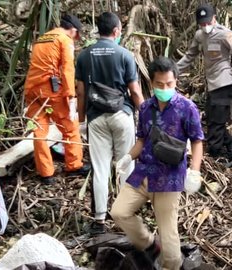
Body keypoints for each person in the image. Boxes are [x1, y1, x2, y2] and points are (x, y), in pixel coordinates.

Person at [110, 57, 204, 269]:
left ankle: (171, 264)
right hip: (143, 173)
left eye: (169, 84)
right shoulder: (145, 108)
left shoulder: (187, 108)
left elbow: (197, 141)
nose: (165, 88)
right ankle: (150, 245)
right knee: (119, 211)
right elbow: (142, 139)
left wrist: (195, 171)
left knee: (169, 235)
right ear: (152, 83)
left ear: (176, 81)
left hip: (169, 178)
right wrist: (127, 158)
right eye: (160, 84)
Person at [75, 12, 144, 235]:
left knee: (100, 169)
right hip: (121, 115)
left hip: (96, 118)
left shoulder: (84, 56)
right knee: (126, 165)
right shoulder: (125, 55)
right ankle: (125, 217)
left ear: (98, 31)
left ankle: (99, 220)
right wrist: (145, 113)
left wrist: (82, 119)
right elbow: (134, 90)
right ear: (116, 31)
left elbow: (81, 91)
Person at [177, 3, 232, 166]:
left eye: (208, 22)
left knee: (215, 122)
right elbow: (189, 56)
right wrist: (173, 70)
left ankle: (216, 156)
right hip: (212, 85)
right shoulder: (199, 36)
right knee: (213, 119)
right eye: (202, 23)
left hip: (225, 84)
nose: (206, 26)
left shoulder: (225, 34)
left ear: (214, 19)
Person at [24, 14, 90, 184]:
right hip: (51, 90)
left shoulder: (42, 38)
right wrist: (71, 97)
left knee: (39, 131)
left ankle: (46, 173)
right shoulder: (64, 39)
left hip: (32, 90)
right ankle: (74, 165)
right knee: (70, 127)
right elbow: (68, 69)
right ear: (73, 30)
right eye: (77, 34)